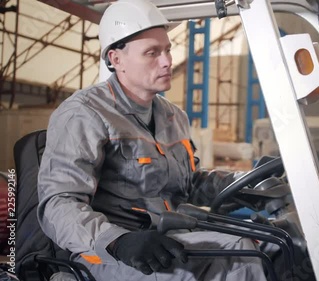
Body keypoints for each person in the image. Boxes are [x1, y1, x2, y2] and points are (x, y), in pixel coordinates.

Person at [36, 1, 267, 280]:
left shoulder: (173, 116)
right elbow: (58, 204)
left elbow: (189, 184)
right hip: (109, 254)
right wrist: (118, 240)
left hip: (170, 240)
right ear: (116, 59)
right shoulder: (83, 114)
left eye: (167, 49)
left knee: (271, 240)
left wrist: (244, 184)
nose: (167, 61)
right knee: (240, 255)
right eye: (152, 53)